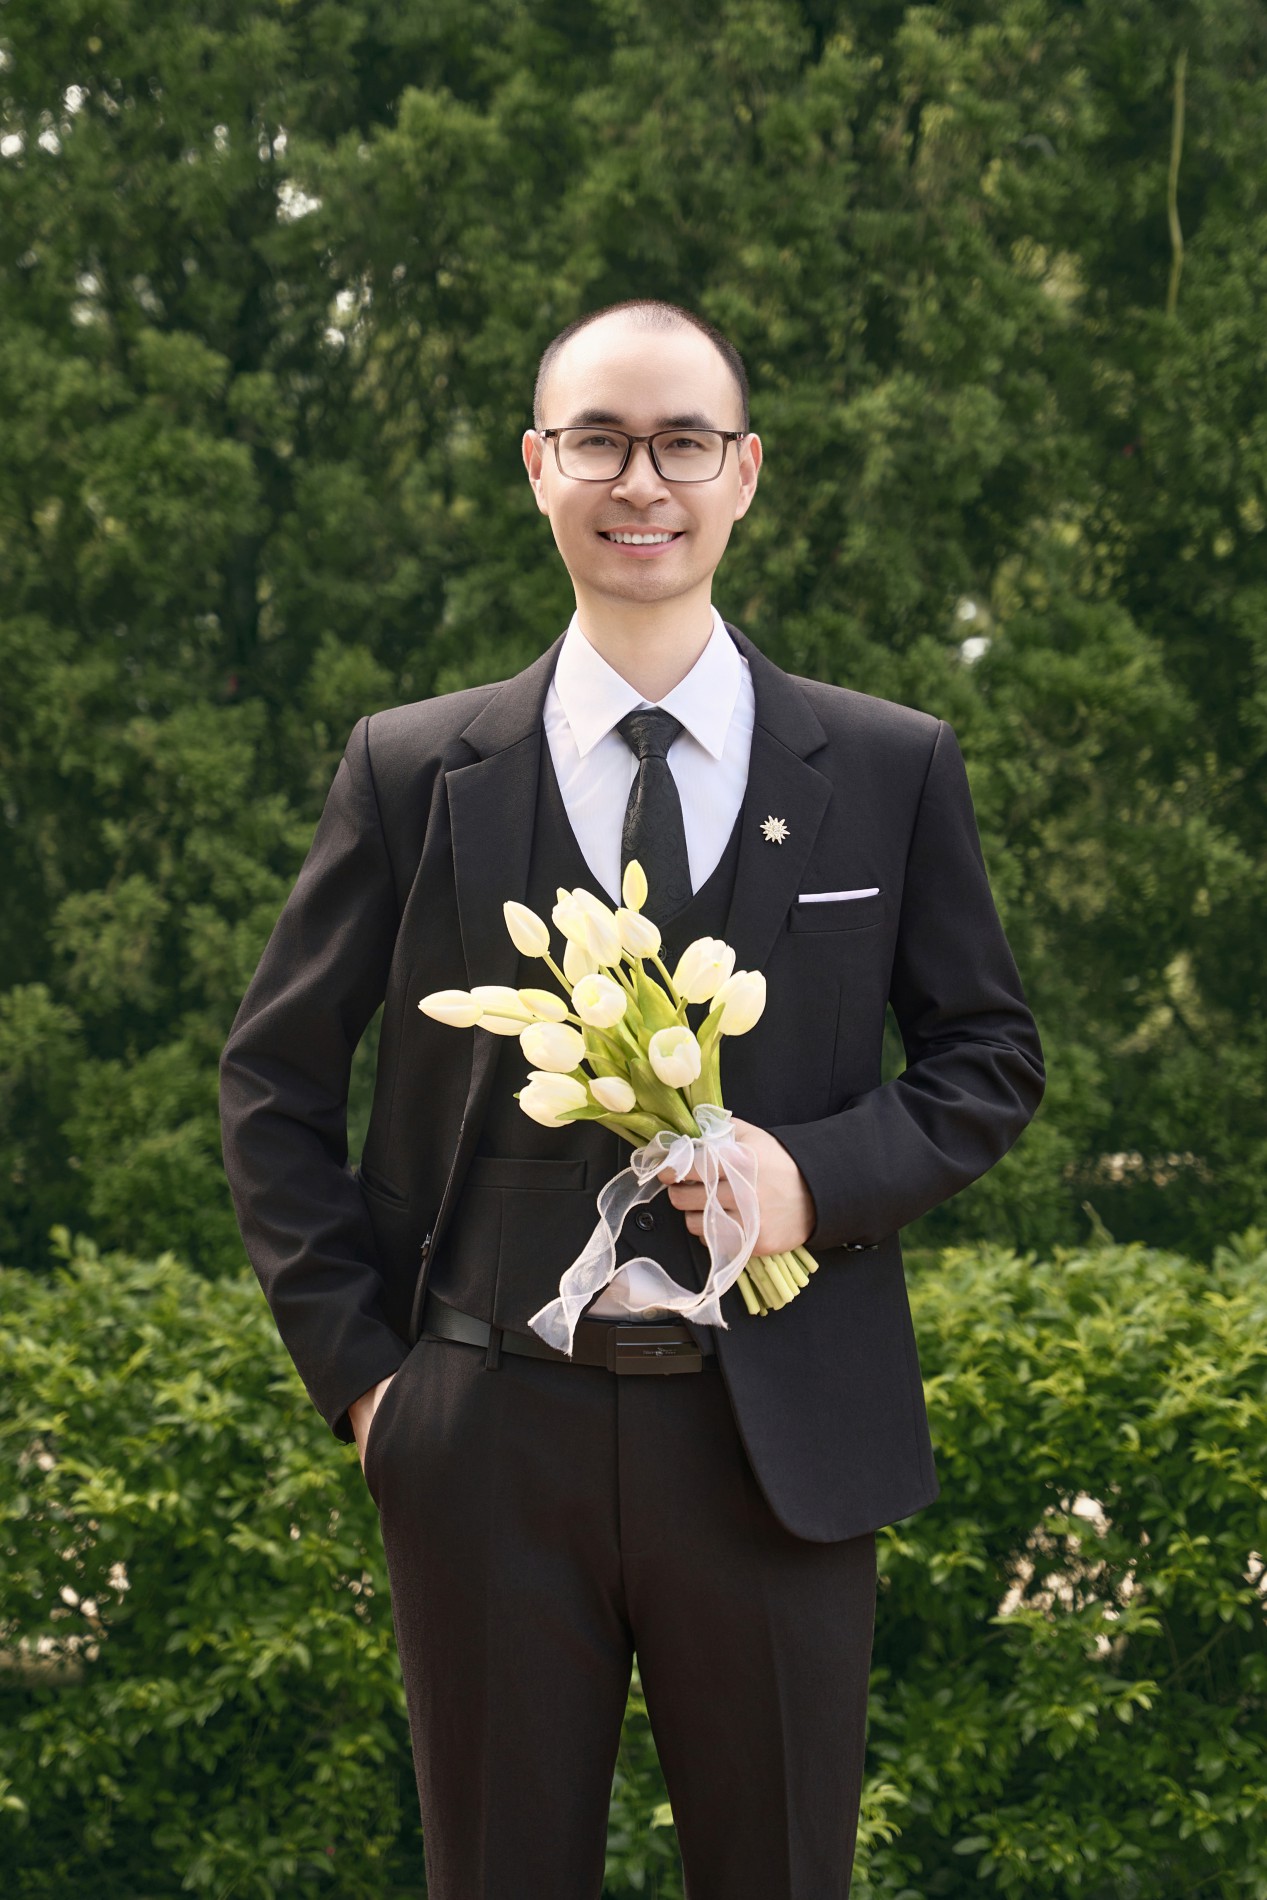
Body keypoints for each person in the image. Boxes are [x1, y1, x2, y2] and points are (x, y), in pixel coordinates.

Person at [218, 298, 1045, 1899]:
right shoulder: (412, 769)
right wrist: (371, 1389)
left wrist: (809, 1182)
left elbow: (988, 1059)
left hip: (782, 1447)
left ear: (747, 471)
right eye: (598, 440)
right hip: (486, 1441)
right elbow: (272, 1077)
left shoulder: (889, 766)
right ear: (539, 467)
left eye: (682, 442)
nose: (640, 480)